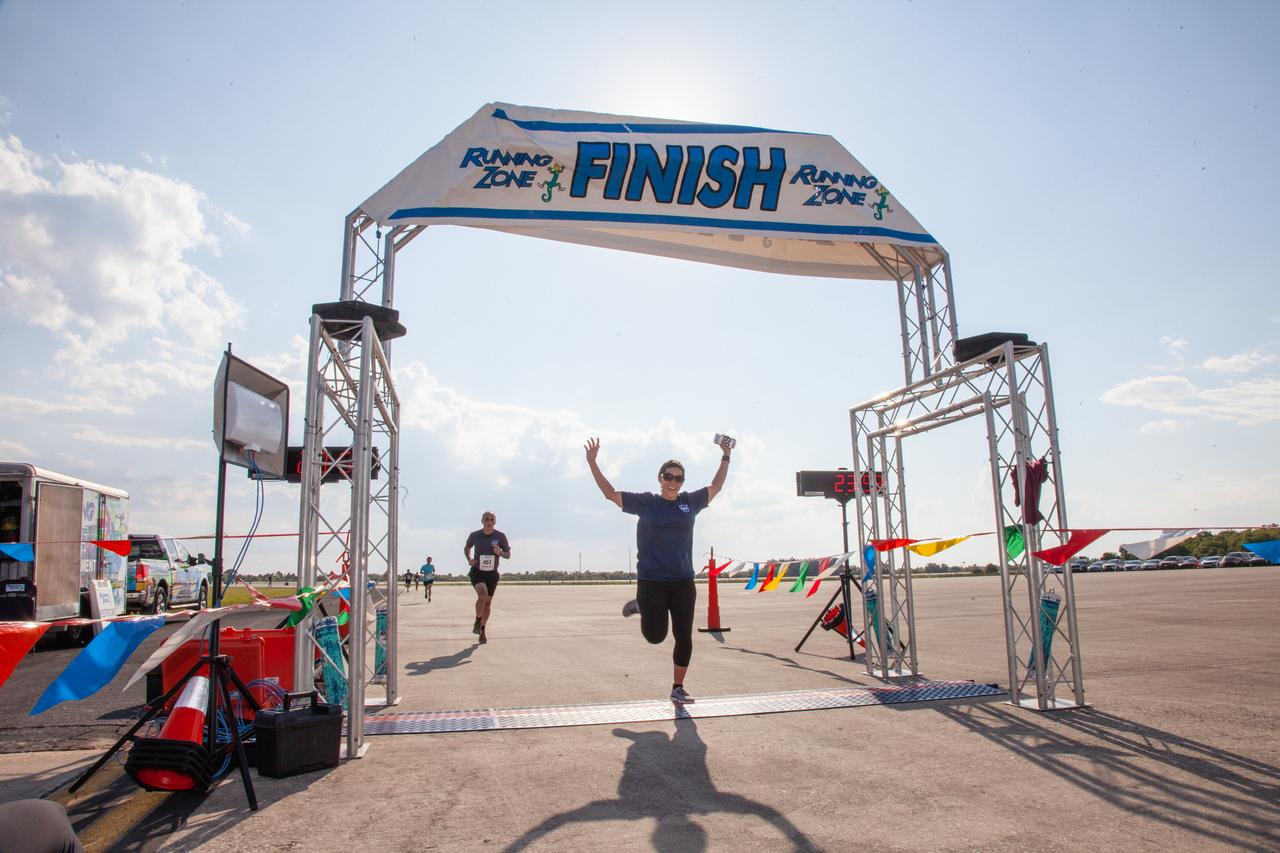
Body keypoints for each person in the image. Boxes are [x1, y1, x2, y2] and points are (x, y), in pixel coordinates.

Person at [585, 435, 732, 703]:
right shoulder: (647, 503)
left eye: (678, 478)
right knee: (655, 636)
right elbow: (610, 494)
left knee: (683, 635)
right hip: (652, 581)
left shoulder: (690, 502)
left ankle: (678, 687)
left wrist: (725, 456)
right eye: (668, 476)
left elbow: (716, 486)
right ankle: (642, 606)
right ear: (660, 478)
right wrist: (592, 463)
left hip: (683, 582)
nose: (673, 482)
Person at [464, 513, 510, 644]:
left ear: (495, 522)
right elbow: (467, 547)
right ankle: (478, 620)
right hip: (477, 571)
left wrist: (499, 553)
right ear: (482, 521)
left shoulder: (500, 536)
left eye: (492, 520)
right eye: (486, 519)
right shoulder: (475, 535)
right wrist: (469, 559)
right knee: (482, 596)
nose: (489, 522)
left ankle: (482, 630)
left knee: (488, 604)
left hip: (492, 574)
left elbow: (508, 555)